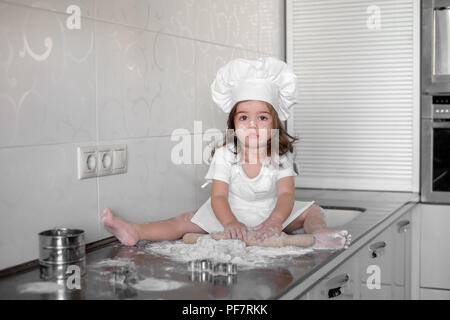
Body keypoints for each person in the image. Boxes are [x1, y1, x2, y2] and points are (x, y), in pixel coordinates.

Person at [100, 57, 351, 250]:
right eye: (244, 117)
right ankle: (136, 231)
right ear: (233, 124)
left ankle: (318, 234)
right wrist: (230, 223)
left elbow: (286, 194)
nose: (252, 125)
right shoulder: (225, 155)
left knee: (313, 211)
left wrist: (275, 221)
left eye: (262, 118)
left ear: (275, 124)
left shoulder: (280, 156)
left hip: (272, 213)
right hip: (230, 213)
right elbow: (218, 197)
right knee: (182, 221)